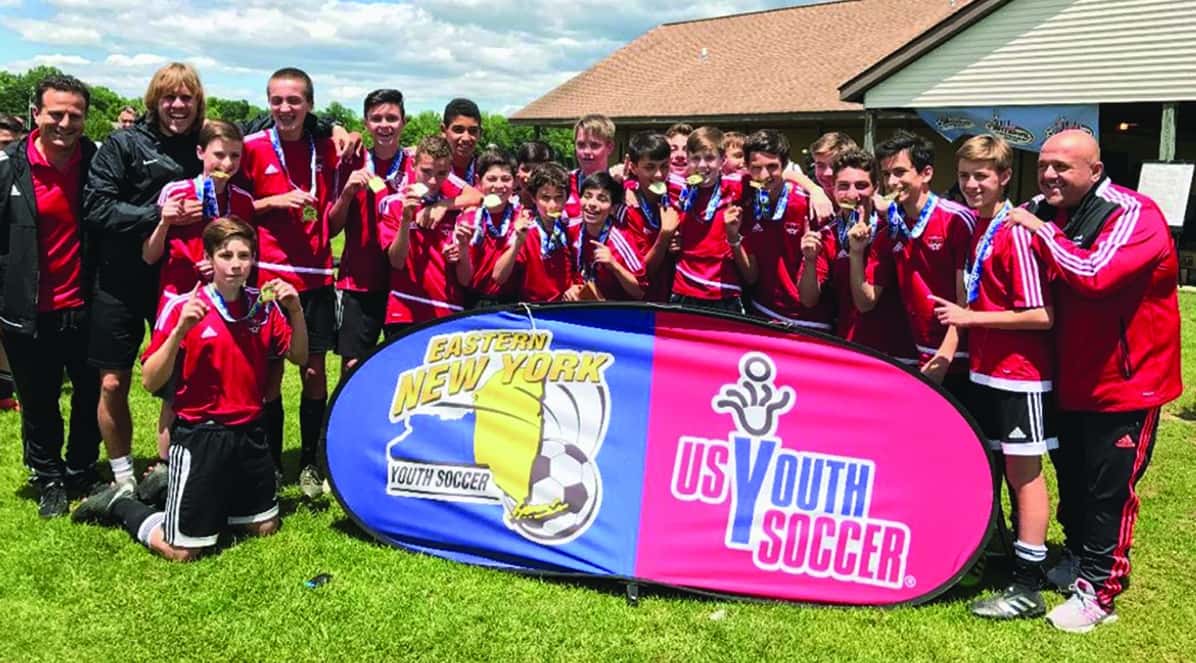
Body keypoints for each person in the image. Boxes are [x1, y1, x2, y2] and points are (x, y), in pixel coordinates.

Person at [1007, 130, 1182, 633]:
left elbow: (1093, 274)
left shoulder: (1134, 214)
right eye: (1043, 165)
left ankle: (1099, 593)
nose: (1049, 176)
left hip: (1129, 382)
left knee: (1110, 490)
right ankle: (1082, 559)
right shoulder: (1045, 207)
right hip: (1070, 375)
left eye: (1063, 167)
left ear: (1095, 171)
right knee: (1075, 480)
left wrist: (1041, 232)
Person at [73, 217, 307, 561]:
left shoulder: (263, 305)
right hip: (201, 435)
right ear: (209, 259)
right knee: (183, 550)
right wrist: (180, 331)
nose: (236, 264)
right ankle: (121, 503)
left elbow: (299, 356)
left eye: (244, 255)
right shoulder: (183, 305)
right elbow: (151, 380)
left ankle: (201, 498)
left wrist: (296, 311)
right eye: (226, 255)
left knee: (264, 528)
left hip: (250, 434)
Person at [931, 134, 1056, 620]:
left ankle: (1028, 583)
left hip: (1019, 374)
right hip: (987, 369)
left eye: (981, 176)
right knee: (989, 466)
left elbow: (1041, 314)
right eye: (964, 176)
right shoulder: (980, 227)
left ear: (1004, 177)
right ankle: (998, 553)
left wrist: (970, 318)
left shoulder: (1016, 232)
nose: (971, 185)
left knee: (1023, 472)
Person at [84, 62, 208, 493]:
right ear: (154, 101)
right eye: (169, 97)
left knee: (179, 381)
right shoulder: (122, 143)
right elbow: (97, 207)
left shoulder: (203, 144)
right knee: (113, 380)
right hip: (121, 279)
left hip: (176, 283)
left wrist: (331, 127)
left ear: (197, 103)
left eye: (186, 98)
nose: (178, 106)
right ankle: (121, 476)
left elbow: (259, 123)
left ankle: (168, 470)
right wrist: (158, 214)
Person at [0, 74, 103, 517]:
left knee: (89, 393)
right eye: (55, 114)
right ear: (35, 115)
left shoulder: (98, 161)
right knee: (39, 399)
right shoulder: (8, 166)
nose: (64, 123)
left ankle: (81, 467)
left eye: (74, 115)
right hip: (28, 307)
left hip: (87, 303)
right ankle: (49, 477)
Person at [239, 67, 340, 496]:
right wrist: (274, 200)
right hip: (268, 277)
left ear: (309, 105)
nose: (285, 108)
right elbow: (236, 207)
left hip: (316, 275)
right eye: (277, 100)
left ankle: (311, 464)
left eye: (294, 100)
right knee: (269, 373)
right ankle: (270, 462)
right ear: (268, 103)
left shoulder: (326, 147)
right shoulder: (251, 148)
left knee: (314, 371)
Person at [141, 120, 255, 485]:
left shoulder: (242, 200)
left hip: (224, 305)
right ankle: (165, 467)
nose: (226, 162)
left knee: (214, 384)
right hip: (181, 304)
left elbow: (247, 253)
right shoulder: (176, 191)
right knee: (175, 391)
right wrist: (164, 222)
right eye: (219, 153)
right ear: (200, 153)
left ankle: (211, 462)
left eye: (235, 155)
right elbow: (148, 255)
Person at [874, 130, 975, 393]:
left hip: (959, 359)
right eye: (886, 175)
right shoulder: (893, 222)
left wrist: (944, 358)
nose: (892, 182)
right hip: (919, 354)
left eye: (899, 172)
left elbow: (967, 299)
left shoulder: (956, 219)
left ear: (926, 173)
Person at [799, 149, 917, 363]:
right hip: (849, 351)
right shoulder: (827, 234)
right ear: (833, 190)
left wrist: (856, 252)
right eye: (844, 186)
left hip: (896, 357)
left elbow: (865, 303)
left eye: (861, 186)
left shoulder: (890, 231)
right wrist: (809, 259)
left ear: (876, 189)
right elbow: (808, 299)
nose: (853, 194)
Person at [326, 89, 410, 377]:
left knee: (403, 368)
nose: (384, 125)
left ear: (404, 122)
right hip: (358, 282)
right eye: (376, 118)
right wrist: (348, 193)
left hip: (405, 284)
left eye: (392, 118)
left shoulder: (417, 166)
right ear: (365, 123)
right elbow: (331, 228)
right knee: (352, 368)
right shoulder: (350, 161)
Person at [378, 135, 475, 336]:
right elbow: (396, 261)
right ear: (413, 165)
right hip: (405, 309)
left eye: (440, 174)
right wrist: (406, 221)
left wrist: (459, 252)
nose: (432, 181)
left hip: (448, 311)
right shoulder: (394, 203)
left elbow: (465, 277)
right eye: (426, 171)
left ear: (449, 172)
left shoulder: (457, 209)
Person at [739, 129, 828, 331]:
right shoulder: (744, 200)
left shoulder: (807, 205)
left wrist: (815, 189)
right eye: (756, 167)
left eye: (772, 167)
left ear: (785, 166)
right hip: (762, 314)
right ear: (746, 167)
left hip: (808, 322)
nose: (764, 175)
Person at [669, 126, 750, 313]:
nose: (702, 165)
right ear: (688, 160)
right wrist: (628, 184)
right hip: (685, 289)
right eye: (696, 158)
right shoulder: (679, 188)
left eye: (710, 158)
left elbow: (776, 176)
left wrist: (815, 189)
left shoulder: (737, 185)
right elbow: (638, 178)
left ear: (722, 160)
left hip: (725, 291)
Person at [493, 162, 577, 302]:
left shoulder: (570, 230)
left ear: (566, 198)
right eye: (545, 197)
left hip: (564, 311)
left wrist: (575, 286)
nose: (552, 205)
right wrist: (518, 243)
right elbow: (498, 277)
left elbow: (577, 271)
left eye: (558, 197)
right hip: (533, 313)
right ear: (533, 198)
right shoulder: (525, 231)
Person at [621, 131, 680, 303]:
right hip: (641, 305)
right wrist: (664, 236)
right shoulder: (627, 209)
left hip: (675, 301)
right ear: (633, 167)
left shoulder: (679, 198)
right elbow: (642, 273)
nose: (659, 175)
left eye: (664, 166)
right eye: (650, 167)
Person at [567, 172, 645, 300]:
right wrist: (572, 286)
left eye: (602, 199)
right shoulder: (571, 229)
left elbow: (640, 292)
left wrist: (614, 265)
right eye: (587, 196)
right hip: (582, 307)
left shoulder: (620, 240)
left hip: (613, 312)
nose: (592, 203)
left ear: (613, 208)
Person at [466, 149, 523, 306]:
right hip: (473, 301)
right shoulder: (467, 218)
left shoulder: (523, 217)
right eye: (491, 179)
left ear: (516, 181)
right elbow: (463, 277)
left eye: (505, 179)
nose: (499, 185)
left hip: (512, 302)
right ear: (478, 181)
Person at [565, 114, 617, 219]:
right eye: (581, 145)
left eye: (594, 145)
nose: (587, 152)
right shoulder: (565, 182)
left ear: (610, 147)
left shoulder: (619, 184)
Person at [442, 98, 482, 185]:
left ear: (480, 133)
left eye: (472, 131)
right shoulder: (431, 171)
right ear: (443, 130)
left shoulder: (487, 171)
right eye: (458, 130)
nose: (466, 138)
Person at [514, 141, 552, 211]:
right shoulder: (507, 205)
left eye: (537, 170)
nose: (529, 175)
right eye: (525, 169)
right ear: (517, 170)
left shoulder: (556, 207)